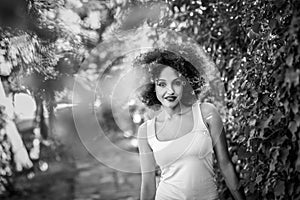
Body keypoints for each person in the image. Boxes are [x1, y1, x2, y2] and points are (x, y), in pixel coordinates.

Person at [136, 49, 245, 200]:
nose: (170, 91)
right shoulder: (145, 132)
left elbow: (226, 165)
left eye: (176, 83)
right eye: (161, 84)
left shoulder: (206, 113)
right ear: (152, 88)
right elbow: (148, 186)